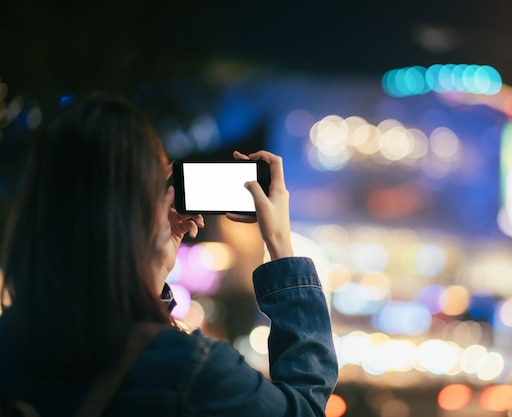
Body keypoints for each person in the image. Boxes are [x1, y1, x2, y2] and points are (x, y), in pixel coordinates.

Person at [0, 94, 338, 416]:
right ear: (134, 213)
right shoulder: (190, 370)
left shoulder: (9, 342)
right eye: (159, 182)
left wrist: (154, 272)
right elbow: (305, 408)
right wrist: (279, 244)